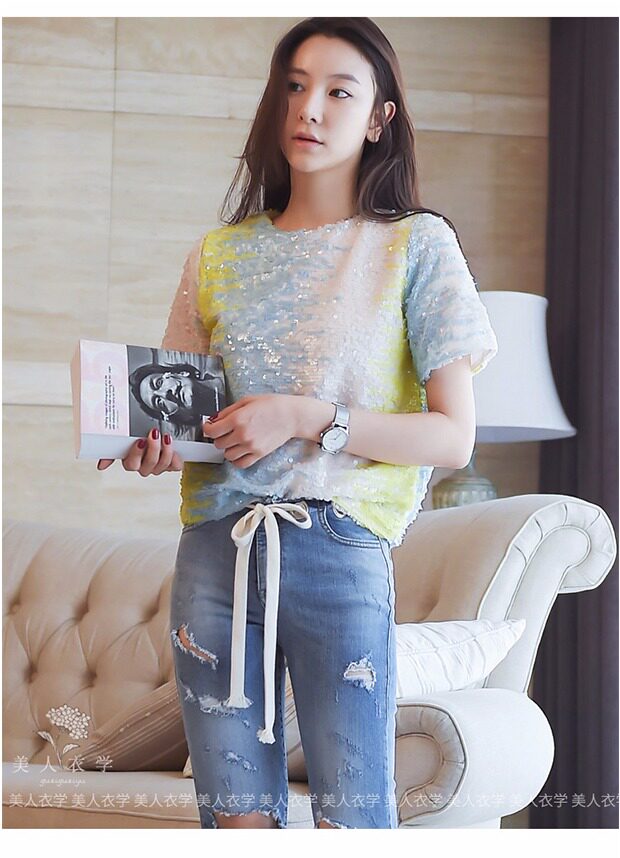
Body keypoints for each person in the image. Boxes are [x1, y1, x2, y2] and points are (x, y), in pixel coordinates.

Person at [97, 17, 498, 829]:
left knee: (353, 820)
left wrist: (308, 418)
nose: (308, 108)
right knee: (236, 824)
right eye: (293, 85)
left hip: (338, 552)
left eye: (338, 92)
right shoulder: (217, 255)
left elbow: (452, 437)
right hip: (215, 553)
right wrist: (159, 447)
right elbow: (195, 420)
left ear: (379, 117)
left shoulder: (415, 246)